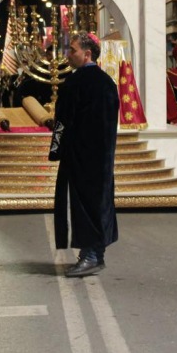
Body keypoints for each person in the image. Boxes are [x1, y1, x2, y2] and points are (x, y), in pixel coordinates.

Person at [50, 31, 119, 277]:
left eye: (73, 50)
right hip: (102, 157)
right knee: (99, 204)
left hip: (80, 157)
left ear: (87, 53)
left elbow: (62, 121)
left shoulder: (75, 83)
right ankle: (95, 254)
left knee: (84, 207)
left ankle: (90, 255)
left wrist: (56, 150)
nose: (69, 55)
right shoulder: (108, 83)